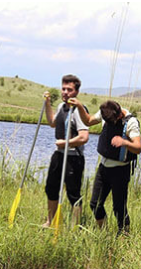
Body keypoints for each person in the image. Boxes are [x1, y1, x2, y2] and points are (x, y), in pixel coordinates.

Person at [69, 99, 141, 234]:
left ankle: (125, 236)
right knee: (95, 204)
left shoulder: (131, 123)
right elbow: (88, 121)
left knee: (119, 207)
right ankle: (104, 233)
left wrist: (124, 142)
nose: (107, 124)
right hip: (103, 168)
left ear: (119, 116)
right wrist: (80, 105)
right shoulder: (106, 112)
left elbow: (138, 148)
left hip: (120, 171)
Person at [41, 74, 90, 227]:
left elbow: (83, 137)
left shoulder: (79, 111)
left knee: (73, 194)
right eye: (63, 89)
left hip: (74, 157)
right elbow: (52, 123)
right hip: (59, 154)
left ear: (76, 92)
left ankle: (75, 227)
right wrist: (47, 104)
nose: (65, 92)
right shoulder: (61, 107)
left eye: (69, 90)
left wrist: (65, 143)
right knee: (51, 188)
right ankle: (51, 221)